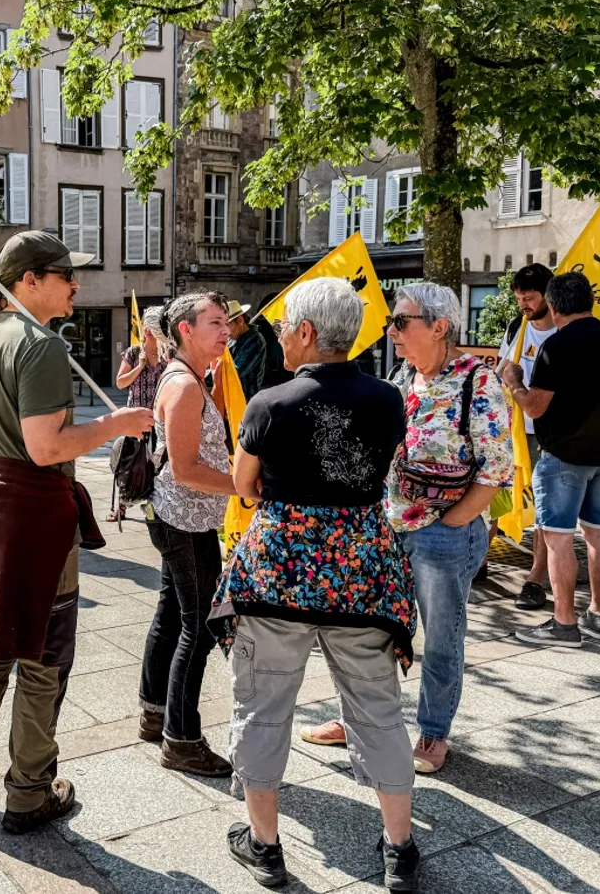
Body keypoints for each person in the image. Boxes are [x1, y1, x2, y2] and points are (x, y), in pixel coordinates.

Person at [0, 231, 153, 833]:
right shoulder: (40, 344)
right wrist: (116, 423)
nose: (76, 283)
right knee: (41, 661)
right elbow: (45, 447)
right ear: (28, 280)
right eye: (64, 273)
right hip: (30, 520)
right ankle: (30, 792)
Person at [212, 278, 419, 891]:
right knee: (377, 709)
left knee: (264, 705)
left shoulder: (270, 403)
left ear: (306, 332)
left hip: (280, 574)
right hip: (361, 573)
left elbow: (245, 486)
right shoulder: (388, 399)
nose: (277, 337)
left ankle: (264, 844)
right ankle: (399, 849)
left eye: (283, 327)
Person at [375, 283, 513, 775]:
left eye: (401, 321)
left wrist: (452, 523)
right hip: (392, 525)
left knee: (440, 639)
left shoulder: (479, 380)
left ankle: (433, 732)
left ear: (439, 327)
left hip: (442, 534)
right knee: (376, 631)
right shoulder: (402, 375)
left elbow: (497, 467)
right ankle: (368, 722)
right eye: (393, 321)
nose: (391, 331)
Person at [507, 272, 600, 647]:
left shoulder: (556, 345)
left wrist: (515, 381)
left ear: (553, 305)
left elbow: (534, 405)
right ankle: (598, 615)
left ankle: (564, 623)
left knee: (558, 538)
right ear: (591, 302)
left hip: (564, 454)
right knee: (598, 533)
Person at [137, 292, 236, 779]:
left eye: (226, 322)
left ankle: (154, 713)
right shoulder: (184, 385)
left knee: (172, 614)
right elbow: (186, 468)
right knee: (199, 627)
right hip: (184, 521)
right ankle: (182, 739)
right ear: (185, 331)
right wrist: (244, 485)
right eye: (215, 322)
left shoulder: (193, 378)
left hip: (183, 518)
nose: (226, 331)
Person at [484, 263, 557, 604]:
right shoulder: (517, 326)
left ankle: (536, 576)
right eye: (518, 299)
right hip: (510, 427)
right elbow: (500, 368)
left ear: (548, 295)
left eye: (529, 298)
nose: (523, 305)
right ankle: (481, 559)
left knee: (544, 504)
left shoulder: (562, 331)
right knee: (495, 495)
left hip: (546, 430)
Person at [108, 304, 167, 520]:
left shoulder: (166, 356)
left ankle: (155, 505)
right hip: (135, 418)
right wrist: (140, 366)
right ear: (149, 331)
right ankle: (120, 506)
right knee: (128, 462)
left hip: (159, 418)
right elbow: (121, 382)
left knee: (157, 463)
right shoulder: (133, 353)